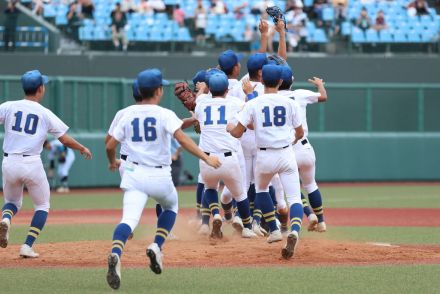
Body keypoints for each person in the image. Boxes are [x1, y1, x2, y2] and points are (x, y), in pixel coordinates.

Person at [105, 68, 221, 290]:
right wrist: (205, 157)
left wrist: (112, 161)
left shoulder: (127, 114)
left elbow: (110, 144)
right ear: (158, 91)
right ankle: (157, 246)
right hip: (159, 175)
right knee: (170, 207)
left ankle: (116, 253)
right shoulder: (164, 114)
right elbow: (183, 139)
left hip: (133, 174)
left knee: (128, 220)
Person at [0, 70, 92, 258]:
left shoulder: (8, 106)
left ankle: (6, 219)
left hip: (9, 161)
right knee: (42, 205)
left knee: (11, 202)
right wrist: (82, 148)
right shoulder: (44, 112)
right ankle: (27, 246)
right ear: (40, 89)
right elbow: (65, 140)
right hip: (32, 162)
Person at [228, 64, 305, 257]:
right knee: (294, 198)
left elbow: (237, 132)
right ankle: (294, 230)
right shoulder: (290, 102)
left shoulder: (254, 103)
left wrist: (229, 128)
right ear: (280, 81)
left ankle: (274, 229)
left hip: (264, 155)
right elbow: (300, 132)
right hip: (286, 153)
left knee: (261, 189)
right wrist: (289, 141)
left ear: (261, 81)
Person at [188, 72, 256, 239]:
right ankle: (247, 227)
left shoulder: (201, 103)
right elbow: (253, 108)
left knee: (210, 188)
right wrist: (249, 94)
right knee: (240, 195)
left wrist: (202, 90)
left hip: (207, 159)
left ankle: (216, 214)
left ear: (210, 89)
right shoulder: (234, 102)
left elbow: (196, 103)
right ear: (227, 89)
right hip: (229, 158)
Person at [278, 65, 328, 233]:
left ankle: (308, 214)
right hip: (305, 146)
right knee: (310, 184)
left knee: (290, 187)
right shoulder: (300, 94)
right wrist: (320, 84)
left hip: (286, 148)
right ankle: (321, 221)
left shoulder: (272, 98)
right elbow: (323, 97)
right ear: (291, 80)